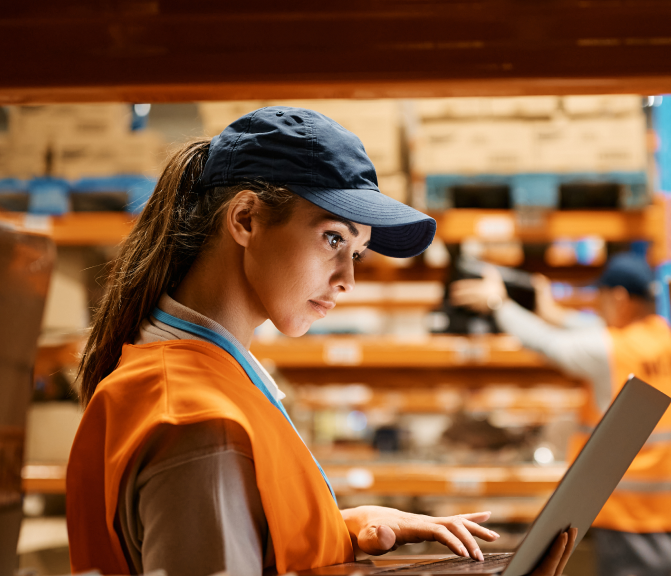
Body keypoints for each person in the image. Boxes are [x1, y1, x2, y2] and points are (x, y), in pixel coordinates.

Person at [65, 107, 577, 576]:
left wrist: (340, 530)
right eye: (334, 238)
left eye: (357, 252)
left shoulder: (205, 386)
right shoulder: (198, 421)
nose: (347, 279)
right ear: (245, 220)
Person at [451, 253, 671, 576]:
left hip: (624, 507)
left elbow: (550, 344)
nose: (596, 307)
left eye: (600, 298)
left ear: (619, 298)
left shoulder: (613, 349)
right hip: (659, 507)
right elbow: (591, 328)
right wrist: (550, 310)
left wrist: (498, 304)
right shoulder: (663, 337)